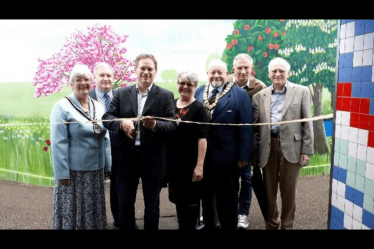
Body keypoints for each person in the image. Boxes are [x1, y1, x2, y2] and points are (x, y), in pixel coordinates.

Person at [102, 53, 177, 230]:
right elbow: (107, 118)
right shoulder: (120, 93)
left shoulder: (166, 95)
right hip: (125, 158)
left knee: (152, 205)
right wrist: (122, 123)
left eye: (149, 68)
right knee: (125, 204)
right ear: (135, 70)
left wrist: (155, 125)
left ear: (155, 71)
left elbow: (172, 125)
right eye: (142, 68)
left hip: (153, 159)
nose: (145, 72)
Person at [252, 57, 314, 230]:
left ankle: (287, 225)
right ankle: (272, 224)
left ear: (288, 73)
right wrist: (254, 153)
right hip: (267, 148)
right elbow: (256, 128)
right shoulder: (259, 96)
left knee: (289, 193)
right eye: (274, 71)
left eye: (281, 71)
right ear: (269, 74)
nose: (277, 74)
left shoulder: (301, 91)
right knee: (269, 194)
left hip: (292, 148)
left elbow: (307, 123)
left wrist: (306, 151)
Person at [50, 63, 111, 230]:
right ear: (71, 84)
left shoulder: (98, 106)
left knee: (93, 211)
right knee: (74, 212)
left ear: (91, 82)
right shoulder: (61, 106)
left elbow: (104, 136)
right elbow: (58, 142)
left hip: (95, 170)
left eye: (87, 79)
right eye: (79, 80)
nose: (83, 83)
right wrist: (61, 173)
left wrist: (108, 165)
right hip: (73, 173)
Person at [195, 59, 253, 230]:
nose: (216, 75)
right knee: (206, 198)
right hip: (204, 158)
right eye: (212, 72)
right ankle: (209, 225)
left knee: (228, 198)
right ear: (207, 74)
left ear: (227, 74)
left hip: (229, 158)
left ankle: (229, 226)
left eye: (220, 72)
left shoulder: (239, 95)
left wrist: (244, 157)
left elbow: (246, 128)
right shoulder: (199, 92)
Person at [228, 53, 267, 229]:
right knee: (226, 178)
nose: (243, 71)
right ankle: (226, 211)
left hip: (248, 141)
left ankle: (243, 213)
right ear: (233, 69)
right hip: (226, 141)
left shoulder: (259, 87)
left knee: (246, 177)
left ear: (252, 69)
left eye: (247, 68)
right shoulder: (225, 83)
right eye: (240, 68)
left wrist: (256, 146)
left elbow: (262, 120)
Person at [167, 71, 209, 230]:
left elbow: (202, 138)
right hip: (173, 165)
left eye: (189, 84)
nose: (185, 87)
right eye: (182, 83)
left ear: (194, 87)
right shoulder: (171, 104)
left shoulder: (199, 108)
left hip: (190, 164)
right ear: (177, 84)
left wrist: (199, 166)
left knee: (190, 202)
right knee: (178, 200)